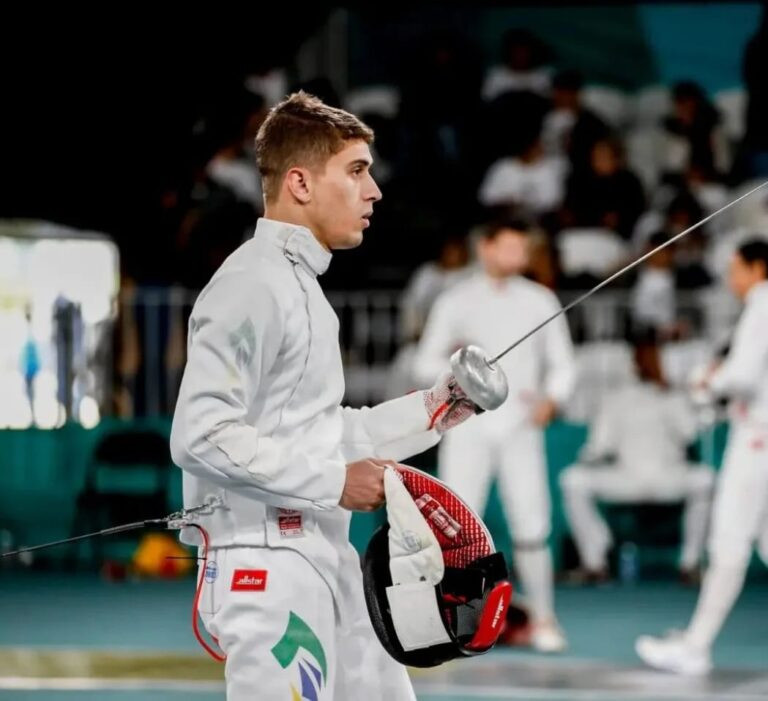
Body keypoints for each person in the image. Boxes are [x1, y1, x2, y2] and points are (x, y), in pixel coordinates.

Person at [170, 92, 481, 700]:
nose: (375, 192)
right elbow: (201, 433)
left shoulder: (300, 287)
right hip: (267, 565)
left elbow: (316, 431)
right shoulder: (251, 284)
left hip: (320, 550)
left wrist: (439, 408)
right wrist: (335, 483)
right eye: (357, 171)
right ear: (300, 183)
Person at [413, 219, 576, 652]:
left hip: (521, 427)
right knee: (456, 529)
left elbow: (563, 364)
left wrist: (552, 399)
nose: (516, 258)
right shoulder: (455, 300)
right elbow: (421, 362)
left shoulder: (540, 300)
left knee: (532, 525)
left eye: (521, 249)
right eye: (507, 248)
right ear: (485, 247)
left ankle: (543, 619)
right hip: (467, 428)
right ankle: (450, 624)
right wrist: (456, 370)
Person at [636, 239, 768, 675]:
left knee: (729, 543)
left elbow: (744, 376)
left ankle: (695, 647)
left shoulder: (762, 302)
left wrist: (707, 382)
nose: (731, 277)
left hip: (757, 442)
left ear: (756, 268)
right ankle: (696, 641)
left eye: (736, 268)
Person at [559, 333, 714, 583]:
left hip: (663, 478)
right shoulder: (621, 398)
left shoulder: (671, 396)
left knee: (704, 479)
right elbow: (599, 448)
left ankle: (689, 562)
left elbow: (598, 448)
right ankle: (597, 560)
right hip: (637, 478)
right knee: (572, 479)